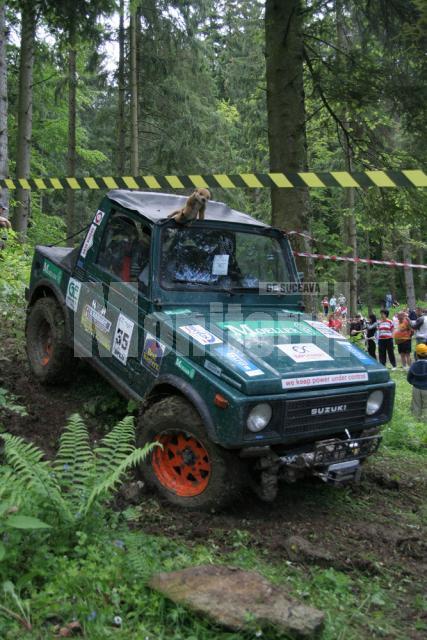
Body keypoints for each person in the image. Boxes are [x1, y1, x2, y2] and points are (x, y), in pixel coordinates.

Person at [407, 343, 427, 421]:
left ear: (416, 355)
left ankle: (416, 420)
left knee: (416, 405)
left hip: (416, 389)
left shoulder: (413, 365)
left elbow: (409, 378)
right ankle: (425, 420)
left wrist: (414, 383)